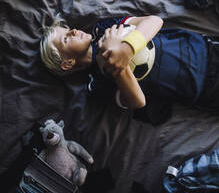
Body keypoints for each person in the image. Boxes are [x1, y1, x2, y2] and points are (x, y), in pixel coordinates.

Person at [40, 14, 219, 125]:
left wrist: (127, 49)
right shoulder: (95, 84)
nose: (73, 31)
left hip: (204, 49)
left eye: (69, 29)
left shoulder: (102, 28)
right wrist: (118, 67)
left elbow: (154, 21)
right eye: (65, 39)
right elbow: (138, 102)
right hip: (204, 87)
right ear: (68, 63)